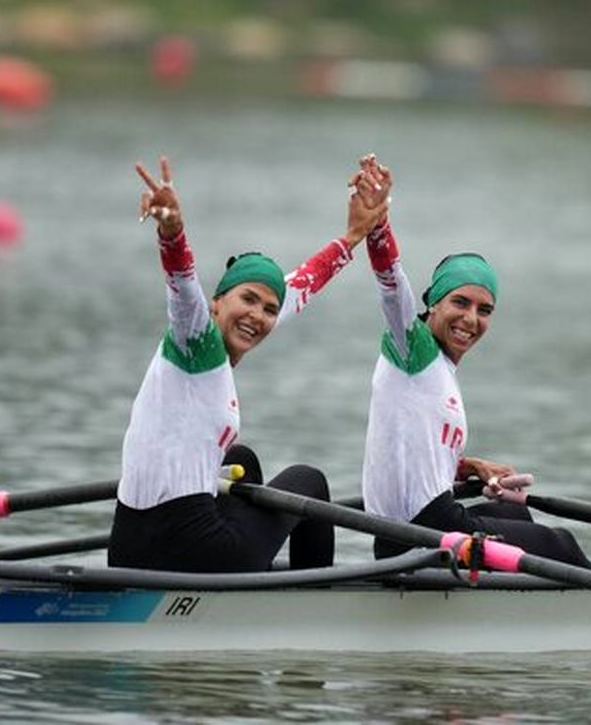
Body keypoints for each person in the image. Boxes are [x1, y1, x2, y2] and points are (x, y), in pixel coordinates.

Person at [108, 155, 389, 573]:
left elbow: (301, 285)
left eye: (269, 309)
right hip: (189, 547)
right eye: (248, 300)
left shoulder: (216, 345)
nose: (258, 316)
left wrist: (352, 236)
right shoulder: (193, 338)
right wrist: (172, 233)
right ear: (216, 302)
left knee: (243, 460)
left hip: (128, 545)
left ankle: (255, 586)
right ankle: (314, 606)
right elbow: (182, 284)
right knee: (307, 482)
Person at [353, 155, 591, 568]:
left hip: (423, 526)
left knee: (514, 513)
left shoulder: (438, 369)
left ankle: (525, 610)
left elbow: (412, 450)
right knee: (559, 544)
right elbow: (391, 283)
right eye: (460, 303)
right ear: (431, 304)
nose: (471, 319)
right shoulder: (411, 349)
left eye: (484, 310)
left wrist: (469, 465)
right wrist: (377, 224)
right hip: (418, 537)